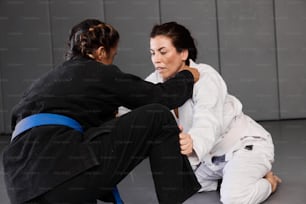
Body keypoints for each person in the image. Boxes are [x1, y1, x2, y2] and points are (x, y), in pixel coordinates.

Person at [2, 19, 202, 204]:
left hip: (21, 187)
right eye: (112, 57)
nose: (112, 64)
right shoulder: (97, 72)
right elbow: (160, 97)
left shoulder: (42, 84)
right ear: (100, 52)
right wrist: (186, 76)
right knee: (158, 116)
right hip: (64, 176)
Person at [145, 22, 282, 204]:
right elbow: (133, 103)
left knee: (233, 199)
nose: (156, 59)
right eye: (153, 53)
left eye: (163, 52)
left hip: (243, 146)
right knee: (178, 188)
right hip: (210, 159)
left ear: (183, 53)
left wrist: (193, 141)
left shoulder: (205, 76)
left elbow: (208, 118)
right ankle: (229, 179)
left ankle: (269, 183)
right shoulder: (156, 81)